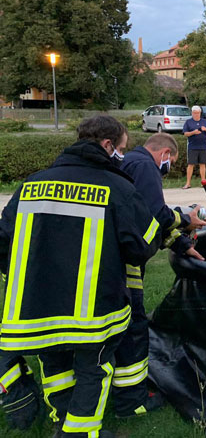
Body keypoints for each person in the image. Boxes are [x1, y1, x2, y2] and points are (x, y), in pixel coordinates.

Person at [0, 115, 161, 438]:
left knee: (55, 364)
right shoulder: (115, 187)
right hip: (92, 310)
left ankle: (62, 417)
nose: (122, 156)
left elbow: (5, 239)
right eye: (121, 149)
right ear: (106, 145)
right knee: (93, 369)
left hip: (37, 304)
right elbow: (144, 245)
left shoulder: (31, 185)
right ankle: (78, 433)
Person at [112, 133, 206, 418]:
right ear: (165, 153)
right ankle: (131, 399)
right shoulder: (145, 167)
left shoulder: (128, 163)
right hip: (125, 262)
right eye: (172, 161)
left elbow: (147, 218)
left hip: (112, 258)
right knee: (134, 325)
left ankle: (118, 391)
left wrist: (182, 244)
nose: (169, 166)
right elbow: (155, 214)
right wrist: (187, 219)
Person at [182, 105, 206, 189]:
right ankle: (188, 183)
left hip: (203, 146)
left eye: (198, 113)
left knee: (202, 164)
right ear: (192, 113)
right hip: (192, 146)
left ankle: (203, 182)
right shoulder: (188, 122)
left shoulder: (205, 121)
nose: (196, 114)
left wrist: (205, 129)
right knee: (191, 164)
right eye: (195, 113)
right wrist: (193, 132)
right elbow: (185, 133)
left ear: (200, 113)